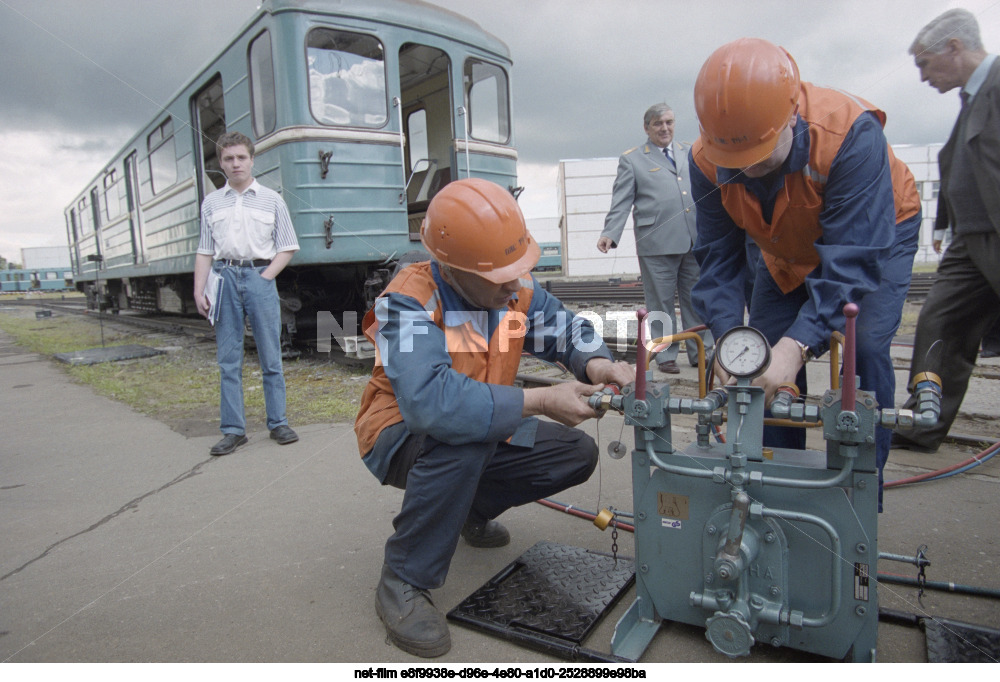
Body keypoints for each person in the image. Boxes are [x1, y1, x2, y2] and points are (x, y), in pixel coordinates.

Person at [354, 178, 635, 658]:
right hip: (400, 434)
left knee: (573, 452)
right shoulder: (406, 303)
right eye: (500, 274)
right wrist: (541, 402)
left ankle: (468, 509)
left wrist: (597, 362)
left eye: (517, 268)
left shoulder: (514, 290)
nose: (513, 284)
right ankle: (402, 579)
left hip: (483, 425)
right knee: (461, 437)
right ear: (453, 267)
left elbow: (567, 330)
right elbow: (430, 404)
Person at [688, 38, 922, 510]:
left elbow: (850, 259)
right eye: (736, 163)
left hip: (876, 233)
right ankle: (775, 491)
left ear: (792, 117)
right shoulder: (706, 161)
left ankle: (859, 502)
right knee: (758, 369)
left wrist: (796, 347)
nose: (747, 172)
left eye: (759, 156)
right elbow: (719, 258)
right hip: (785, 249)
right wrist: (729, 340)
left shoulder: (850, 135)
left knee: (866, 348)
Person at [893, 9, 1000, 452]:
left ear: (954, 48)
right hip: (969, 241)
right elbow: (964, 163)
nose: (922, 77)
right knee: (939, 320)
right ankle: (924, 423)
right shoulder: (972, 98)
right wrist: (945, 222)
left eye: (924, 62)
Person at [193, 131, 300, 456]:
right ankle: (233, 430)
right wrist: (199, 289)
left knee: (271, 354)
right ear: (221, 164)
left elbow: (287, 247)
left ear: (252, 160)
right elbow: (204, 251)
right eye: (228, 158)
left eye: (241, 157)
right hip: (223, 279)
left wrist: (265, 278)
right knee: (228, 359)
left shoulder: (272, 199)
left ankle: (278, 423)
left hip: (259, 277)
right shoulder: (211, 202)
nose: (235, 163)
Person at [597, 103, 713, 374]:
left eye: (669, 122)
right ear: (647, 127)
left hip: (694, 238)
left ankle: (701, 351)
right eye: (658, 124)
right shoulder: (633, 159)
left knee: (696, 298)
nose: (665, 128)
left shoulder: (690, 151)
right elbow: (621, 200)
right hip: (656, 242)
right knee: (660, 303)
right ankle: (665, 355)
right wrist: (609, 233)